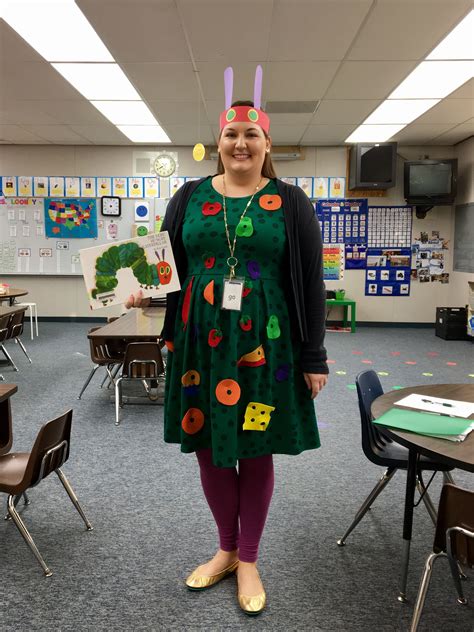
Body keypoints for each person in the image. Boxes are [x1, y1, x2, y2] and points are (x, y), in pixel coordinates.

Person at [126, 66, 328, 615]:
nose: (241, 143)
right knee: (211, 448)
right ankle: (227, 549)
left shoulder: (290, 202)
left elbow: (311, 284)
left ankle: (252, 558)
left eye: (252, 134)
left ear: (266, 143)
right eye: (231, 134)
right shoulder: (188, 196)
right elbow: (162, 264)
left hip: (267, 344)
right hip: (200, 342)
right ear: (218, 142)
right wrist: (143, 292)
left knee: (256, 447)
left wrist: (316, 356)